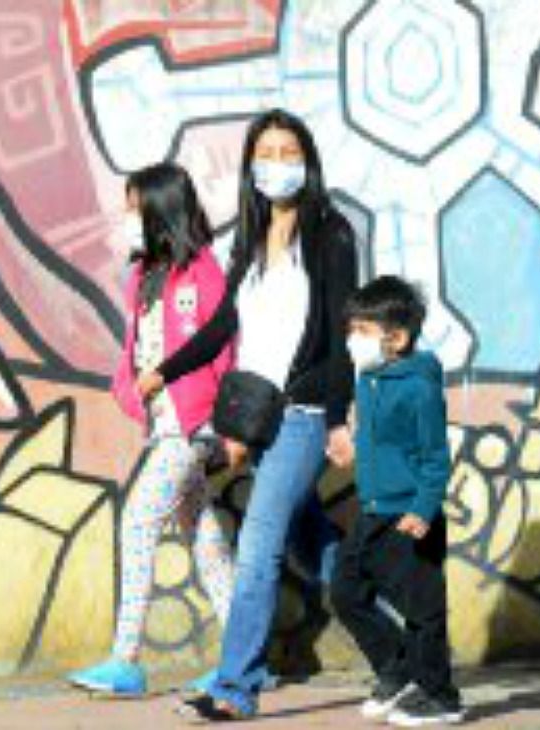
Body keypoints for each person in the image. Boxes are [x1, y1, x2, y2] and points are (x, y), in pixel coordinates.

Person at [141, 109, 358, 721]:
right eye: (268, 152)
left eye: (290, 152)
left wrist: (339, 416)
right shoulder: (251, 237)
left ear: (308, 161)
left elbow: (342, 334)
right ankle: (399, 634)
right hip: (261, 418)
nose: (279, 164)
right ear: (251, 165)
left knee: (258, 545)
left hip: (305, 411)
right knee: (313, 544)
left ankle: (235, 689)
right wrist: (167, 369)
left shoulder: (330, 233)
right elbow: (222, 326)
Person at [66, 163, 236, 698]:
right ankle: (244, 656)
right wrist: (129, 390)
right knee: (203, 537)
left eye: (135, 206)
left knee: (138, 519)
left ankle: (126, 659)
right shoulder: (144, 276)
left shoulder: (204, 271)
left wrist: (223, 425)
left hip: (194, 426)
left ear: (162, 209)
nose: (127, 217)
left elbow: (223, 349)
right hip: (164, 423)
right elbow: (135, 346)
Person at [331, 275, 465, 726]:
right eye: (353, 330)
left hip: (410, 516)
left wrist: (423, 509)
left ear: (398, 338)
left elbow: (434, 457)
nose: (354, 340)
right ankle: (397, 667)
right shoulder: (370, 378)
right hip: (373, 512)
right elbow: (382, 439)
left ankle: (440, 697)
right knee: (346, 592)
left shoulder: (420, 387)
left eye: (363, 332)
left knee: (423, 610)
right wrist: (353, 446)